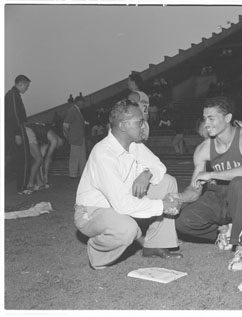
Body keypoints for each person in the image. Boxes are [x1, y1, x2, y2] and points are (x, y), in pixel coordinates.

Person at [74, 101, 183, 270]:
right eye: (139, 122)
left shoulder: (134, 145)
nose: (144, 126)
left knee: (167, 181)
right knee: (127, 229)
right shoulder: (103, 153)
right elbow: (122, 204)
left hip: (120, 203)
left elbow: (159, 166)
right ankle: (97, 253)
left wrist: (146, 174)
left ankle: (154, 245)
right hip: (93, 211)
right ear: (123, 125)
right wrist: (164, 205)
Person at [174, 96, 242, 271]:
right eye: (204, 118)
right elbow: (195, 188)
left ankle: (241, 249)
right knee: (183, 221)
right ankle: (224, 231)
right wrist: (179, 197)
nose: (206, 124)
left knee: (239, 183)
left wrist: (211, 174)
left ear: (228, 118)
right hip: (219, 195)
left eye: (211, 118)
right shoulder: (203, 149)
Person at [4, 75, 32, 194]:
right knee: (24, 158)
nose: (27, 88)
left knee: (18, 158)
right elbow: (14, 114)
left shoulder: (12, 95)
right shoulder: (13, 95)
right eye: (27, 85)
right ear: (21, 83)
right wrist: (17, 133)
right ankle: (22, 187)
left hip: (15, 129)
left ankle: (21, 186)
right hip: (17, 129)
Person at [25, 123, 64, 190]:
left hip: (27, 129)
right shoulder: (55, 140)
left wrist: (43, 177)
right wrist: (46, 176)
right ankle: (30, 184)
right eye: (59, 146)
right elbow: (47, 160)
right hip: (28, 130)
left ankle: (40, 183)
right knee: (38, 159)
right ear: (61, 140)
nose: (57, 147)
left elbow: (43, 159)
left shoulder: (49, 137)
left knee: (37, 160)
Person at [63, 95, 87, 179]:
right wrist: (68, 136)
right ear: (78, 102)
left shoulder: (77, 110)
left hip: (80, 137)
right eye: (83, 102)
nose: (83, 104)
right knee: (74, 156)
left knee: (82, 157)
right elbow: (65, 125)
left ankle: (82, 173)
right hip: (75, 137)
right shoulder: (72, 110)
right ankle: (72, 174)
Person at [127, 73, 150, 141]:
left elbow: (128, 113)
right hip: (145, 126)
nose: (127, 83)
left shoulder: (133, 95)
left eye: (128, 80)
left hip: (135, 127)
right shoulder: (145, 95)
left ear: (133, 82)